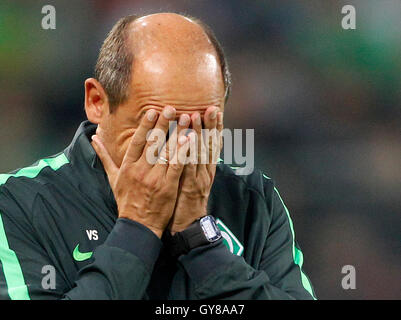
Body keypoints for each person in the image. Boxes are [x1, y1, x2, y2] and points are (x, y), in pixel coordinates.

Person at [0, 12, 316, 300]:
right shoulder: (17, 205)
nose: (180, 149)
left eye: (202, 125)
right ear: (97, 101)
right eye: (158, 124)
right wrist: (138, 227)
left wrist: (201, 242)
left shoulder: (252, 201)